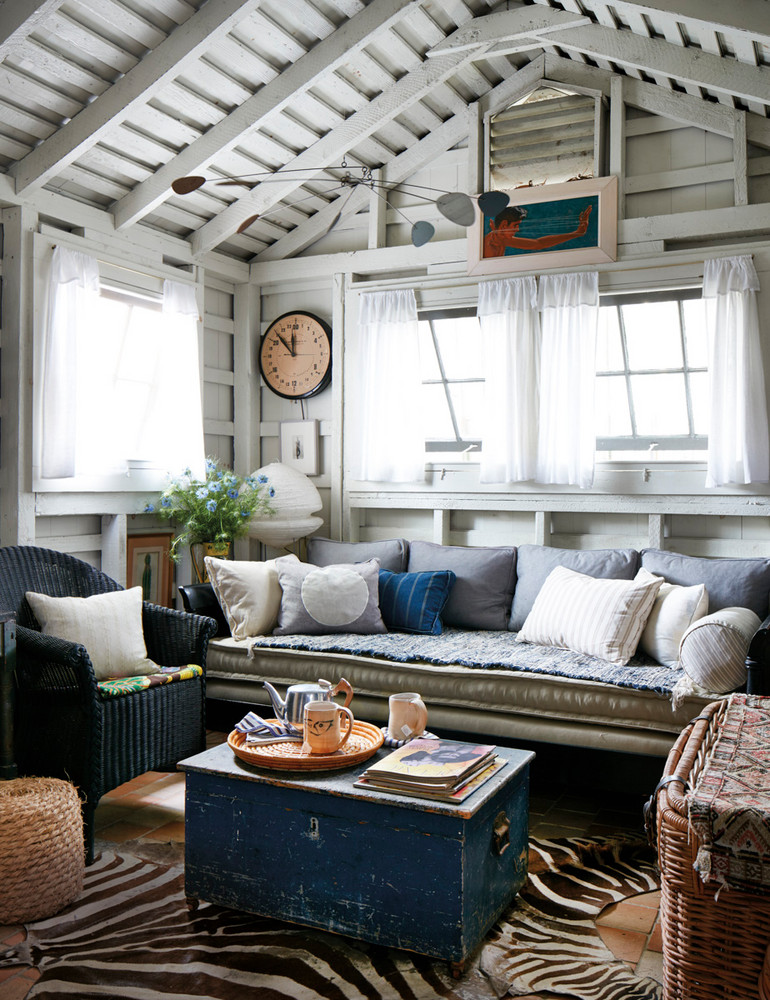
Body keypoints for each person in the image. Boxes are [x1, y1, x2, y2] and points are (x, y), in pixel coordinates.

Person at [483, 203, 593, 258]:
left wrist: (576, 233)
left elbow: (538, 244)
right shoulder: (489, 245)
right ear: (503, 225)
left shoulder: (500, 238)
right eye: (515, 225)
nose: (517, 229)